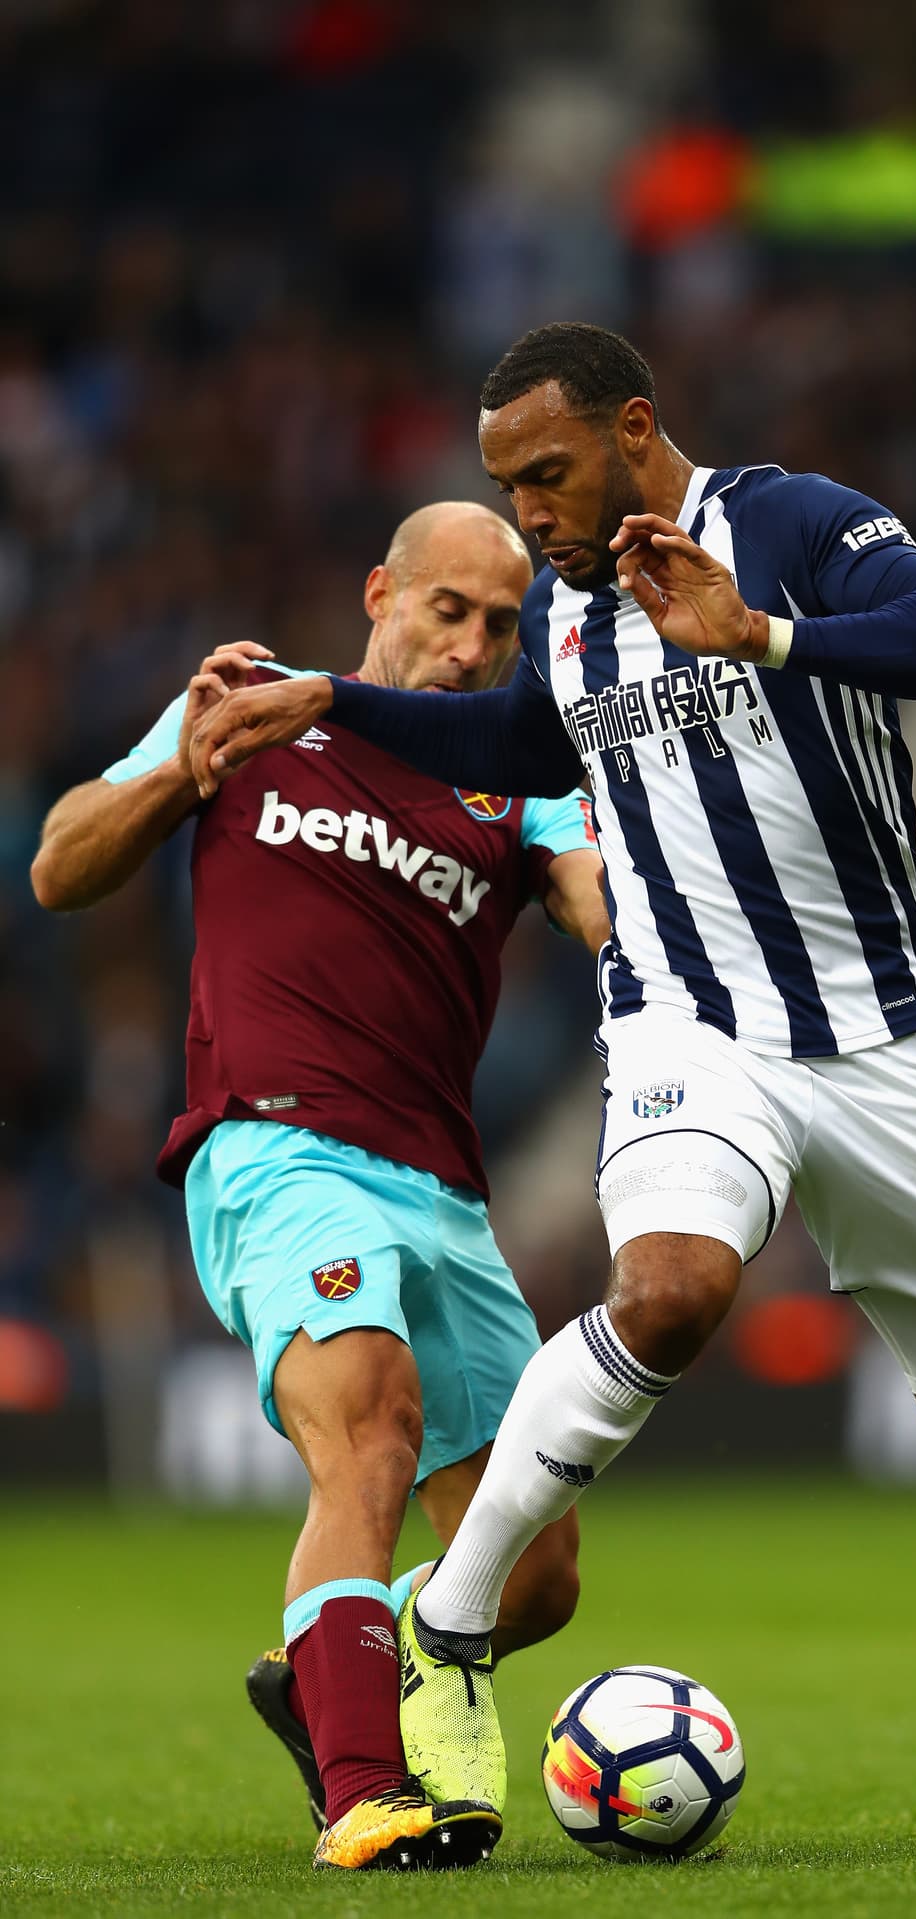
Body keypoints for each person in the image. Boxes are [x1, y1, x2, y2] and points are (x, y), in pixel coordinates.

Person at [188, 323, 916, 1847]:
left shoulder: (798, 524)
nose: (532, 513)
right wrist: (336, 704)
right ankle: (451, 1633)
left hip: (892, 1040)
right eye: (504, 483)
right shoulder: (560, 609)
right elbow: (504, 734)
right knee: (674, 1287)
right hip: (691, 1024)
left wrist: (760, 635)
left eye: (547, 476)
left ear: (635, 429)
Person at [30, 499, 611, 1873]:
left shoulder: (518, 772)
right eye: (448, 611)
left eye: (500, 625)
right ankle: (363, 1792)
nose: (472, 648)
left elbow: (598, 905)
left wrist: (628, 901)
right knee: (369, 1427)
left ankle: (323, 1668)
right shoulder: (258, 713)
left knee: (535, 1577)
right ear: (379, 596)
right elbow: (62, 862)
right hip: (277, 1147)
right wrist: (185, 762)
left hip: (444, 1190)